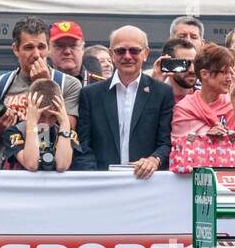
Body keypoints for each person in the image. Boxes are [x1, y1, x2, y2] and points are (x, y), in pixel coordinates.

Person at [73, 26, 173, 176]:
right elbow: (84, 145)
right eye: (120, 51)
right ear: (111, 54)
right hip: (102, 185)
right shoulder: (90, 94)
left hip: (146, 182)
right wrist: (95, 178)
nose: (127, 56)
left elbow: (166, 142)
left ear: (145, 53)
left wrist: (154, 160)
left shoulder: (162, 92)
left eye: (134, 50)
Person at [0, 17, 82, 148]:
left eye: (41, 47)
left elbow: (67, 134)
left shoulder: (69, 84)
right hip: (7, 165)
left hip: (48, 165)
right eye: (29, 47)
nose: (36, 54)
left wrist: (44, 85)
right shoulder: (0, 85)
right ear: (15, 49)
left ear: (48, 49)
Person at [171, 43, 235, 163]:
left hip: (230, 176)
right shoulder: (185, 107)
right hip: (192, 177)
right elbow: (178, 145)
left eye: (231, 73)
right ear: (204, 74)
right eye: (224, 72)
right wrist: (206, 137)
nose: (229, 78)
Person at [152, 37, 198, 102]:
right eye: (184, 63)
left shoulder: (206, 98)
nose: (192, 70)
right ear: (168, 63)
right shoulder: (157, 98)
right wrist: (154, 87)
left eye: (195, 63)